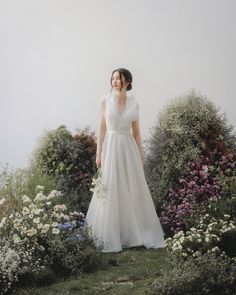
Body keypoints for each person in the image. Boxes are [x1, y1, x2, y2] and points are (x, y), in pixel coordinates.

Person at [85, 68, 166, 252]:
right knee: (111, 187)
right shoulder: (104, 100)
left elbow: (137, 133)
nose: (114, 81)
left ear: (127, 81)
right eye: (112, 78)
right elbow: (101, 129)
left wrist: (141, 153)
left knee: (132, 187)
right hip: (111, 147)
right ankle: (110, 234)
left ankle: (134, 233)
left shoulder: (133, 102)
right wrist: (98, 153)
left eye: (118, 78)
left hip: (128, 148)